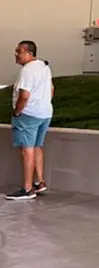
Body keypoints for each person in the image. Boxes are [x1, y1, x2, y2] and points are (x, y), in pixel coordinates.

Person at [7, 40, 54, 201]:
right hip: (45, 113)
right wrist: (43, 103)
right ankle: (40, 182)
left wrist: (17, 112)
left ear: (29, 54)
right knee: (37, 146)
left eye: (19, 51)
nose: (16, 54)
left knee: (27, 150)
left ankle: (27, 189)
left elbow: (24, 96)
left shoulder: (27, 71)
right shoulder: (44, 67)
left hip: (28, 115)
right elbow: (52, 88)